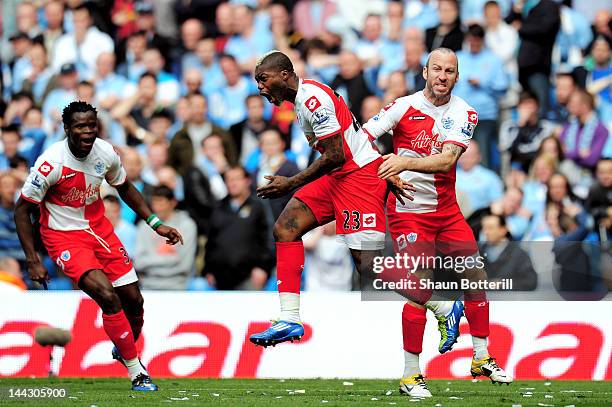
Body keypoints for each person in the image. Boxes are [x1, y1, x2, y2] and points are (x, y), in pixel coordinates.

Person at [364, 48, 512, 397]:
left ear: (457, 77)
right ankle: (410, 375)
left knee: (476, 275)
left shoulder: (466, 113)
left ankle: (481, 356)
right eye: (437, 69)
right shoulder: (403, 106)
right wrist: (380, 170)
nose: (443, 76)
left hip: (446, 213)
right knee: (419, 287)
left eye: (450, 71)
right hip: (408, 211)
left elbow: (447, 161)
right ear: (425, 71)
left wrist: (400, 162)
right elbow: (364, 137)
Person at [13, 101, 183, 391]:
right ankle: (137, 371)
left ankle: (124, 343)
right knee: (107, 295)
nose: (87, 131)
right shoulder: (51, 162)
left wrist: (155, 223)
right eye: (80, 126)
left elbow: (125, 187)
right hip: (63, 236)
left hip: (99, 231)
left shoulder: (106, 153)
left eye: (92, 125)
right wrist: (32, 259)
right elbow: (22, 209)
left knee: (134, 301)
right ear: (67, 128)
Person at [249, 51, 413, 347]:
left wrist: (292, 182)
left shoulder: (313, 101)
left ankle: (441, 304)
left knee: (369, 267)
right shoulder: (302, 100)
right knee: (285, 227)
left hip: (358, 177)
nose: (260, 87)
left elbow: (337, 154)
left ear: (284, 75)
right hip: (339, 176)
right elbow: (344, 145)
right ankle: (290, 318)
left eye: (263, 79)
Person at [204, 166, 273, 290]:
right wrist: (208, 270)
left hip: (250, 278)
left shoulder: (259, 207)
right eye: (229, 180)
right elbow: (210, 242)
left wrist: (263, 268)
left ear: (248, 181)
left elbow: (269, 239)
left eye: (236, 179)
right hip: (219, 279)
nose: (232, 183)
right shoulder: (218, 208)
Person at [134, 186, 197, 290]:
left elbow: (185, 265)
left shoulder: (187, 225)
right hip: (148, 285)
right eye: (155, 203)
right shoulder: (143, 226)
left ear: (173, 203)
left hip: (179, 285)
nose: (157, 208)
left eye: (161, 203)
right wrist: (171, 258)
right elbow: (139, 263)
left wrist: (151, 261)